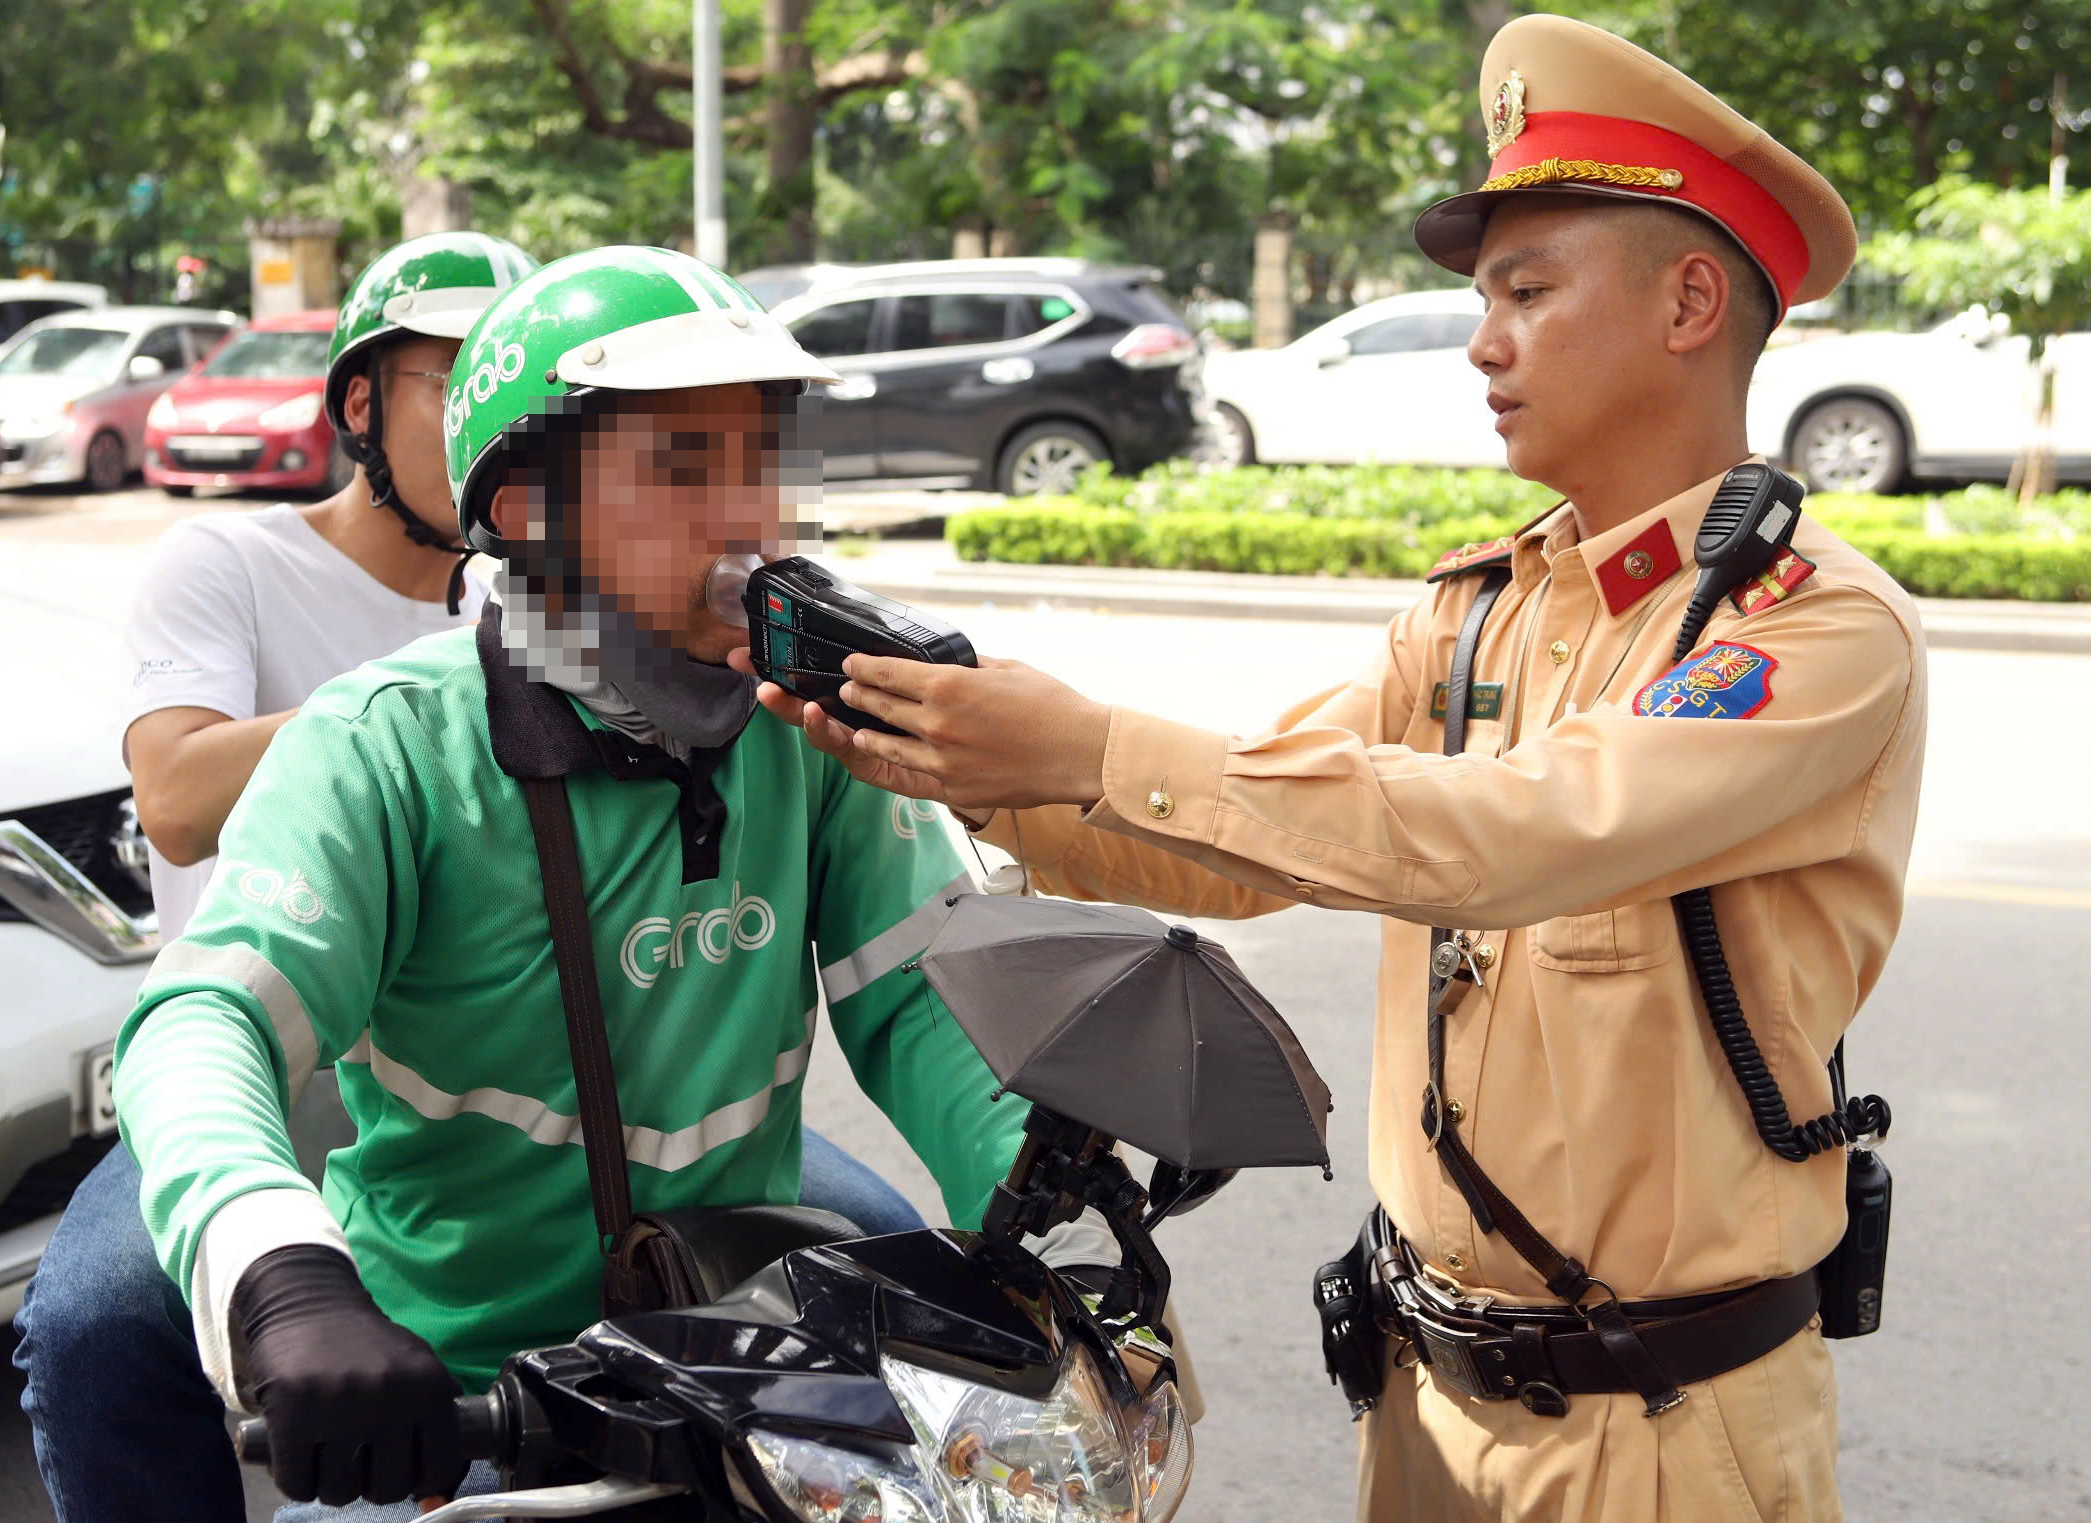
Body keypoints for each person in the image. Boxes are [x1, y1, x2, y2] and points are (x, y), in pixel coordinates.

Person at [746, 16, 1926, 1522]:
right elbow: (1249, 833)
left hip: (1667, 1437)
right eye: (1484, 297)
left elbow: (1522, 830)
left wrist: (1096, 742)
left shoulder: (1815, 631)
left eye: (1527, 291)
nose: (1484, 341)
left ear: (1691, 299)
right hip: (1426, 1398)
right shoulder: (1480, 608)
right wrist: (976, 763)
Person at [100, 246, 1118, 1520]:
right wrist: (285, 1278)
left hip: (740, 1377)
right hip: (445, 1407)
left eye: (760, 458)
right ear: (525, 506)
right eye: (683, 467)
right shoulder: (386, 746)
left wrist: (1046, 1202)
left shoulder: (797, 732)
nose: (745, 513)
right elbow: (205, 1020)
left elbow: (919, 996)